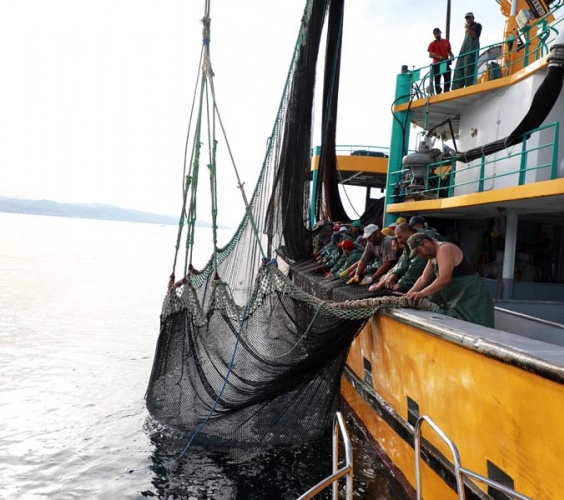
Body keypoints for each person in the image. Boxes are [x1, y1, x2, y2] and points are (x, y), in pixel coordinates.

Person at [404, 233, 494, 327]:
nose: (420, 256)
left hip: (474, 300)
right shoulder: (433, 257)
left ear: (426, 242)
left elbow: (444, 279)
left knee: (478, 330)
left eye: (419, 251)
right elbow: (424, 278)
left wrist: (421, 293)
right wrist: (409, 294)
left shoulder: (444, 249)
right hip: (459, 301)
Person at [452, 12, 482, 90]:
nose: (468, 20)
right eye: (467, 19)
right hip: (463, 53)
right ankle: (456, 90)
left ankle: (470, 88)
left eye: (469, 18)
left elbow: (474, 35)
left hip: (470, 53)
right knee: (458, 71)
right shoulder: (467, 30)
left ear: (473, 18)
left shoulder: (477, 25)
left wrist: (468, 29)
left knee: (469, 71)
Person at [428, 28, 454, 94]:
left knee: (447, 74)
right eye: (435, 34)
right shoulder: (432, 44)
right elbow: (430, 55)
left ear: (440, 32)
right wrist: (439, 57)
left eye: (437, 33)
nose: (436, 35)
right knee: (437, 78)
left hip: (444, 63)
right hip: (437, 63)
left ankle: (446, 90)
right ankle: (438, 92)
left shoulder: (446, 41)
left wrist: (452, 56)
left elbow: (449, 51)